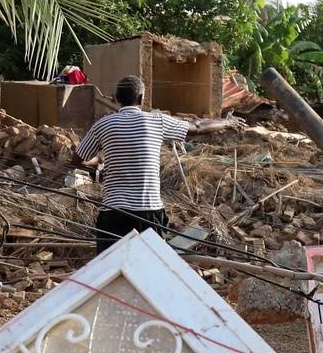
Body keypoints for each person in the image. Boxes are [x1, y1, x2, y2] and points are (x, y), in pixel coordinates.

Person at [73, 75, 236, 253]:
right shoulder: (156, 121)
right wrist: (227, 122)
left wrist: (97, 160)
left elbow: (77, 158)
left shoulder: (102, 125)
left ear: (117, 98)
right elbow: (197, 127)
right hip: (148, 211)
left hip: (113, 212)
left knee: (110, 268)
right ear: (141, 98)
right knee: (149, 268)